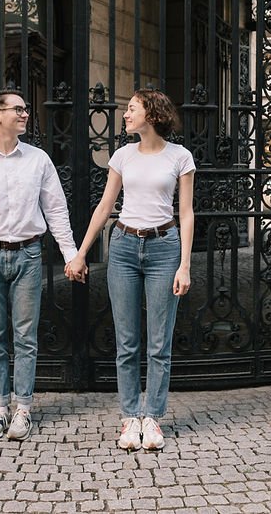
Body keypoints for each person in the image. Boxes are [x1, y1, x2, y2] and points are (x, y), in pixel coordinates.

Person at [65, 88, 195, 451]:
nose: (126, 114)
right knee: (126, 341)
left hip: (164, 248)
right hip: (122, 247)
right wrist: (81, 253)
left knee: (158, 342)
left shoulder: (180, 157)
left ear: (151, 114)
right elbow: (105, 206)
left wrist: (184, 265)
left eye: (132, 108)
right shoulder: (122, 156)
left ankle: (151, 417)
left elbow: (185, 213)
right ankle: (129, 418)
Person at [0, 88, 78, 441]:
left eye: (25, 110)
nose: (25, 114)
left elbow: (56, 210)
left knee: (25, 336)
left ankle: (23, 408)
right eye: (18, 109)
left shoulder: (39, 160)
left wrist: (70, 254)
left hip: (28, 255)